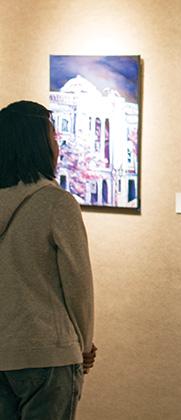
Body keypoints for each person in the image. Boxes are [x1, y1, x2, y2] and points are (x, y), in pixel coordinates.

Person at [0, 100, 96, 419]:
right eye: (54, 137)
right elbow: (78, 286)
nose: (58, 145)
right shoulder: (56, 204)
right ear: (38, 144)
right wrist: (85, 345)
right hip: (48, 355)